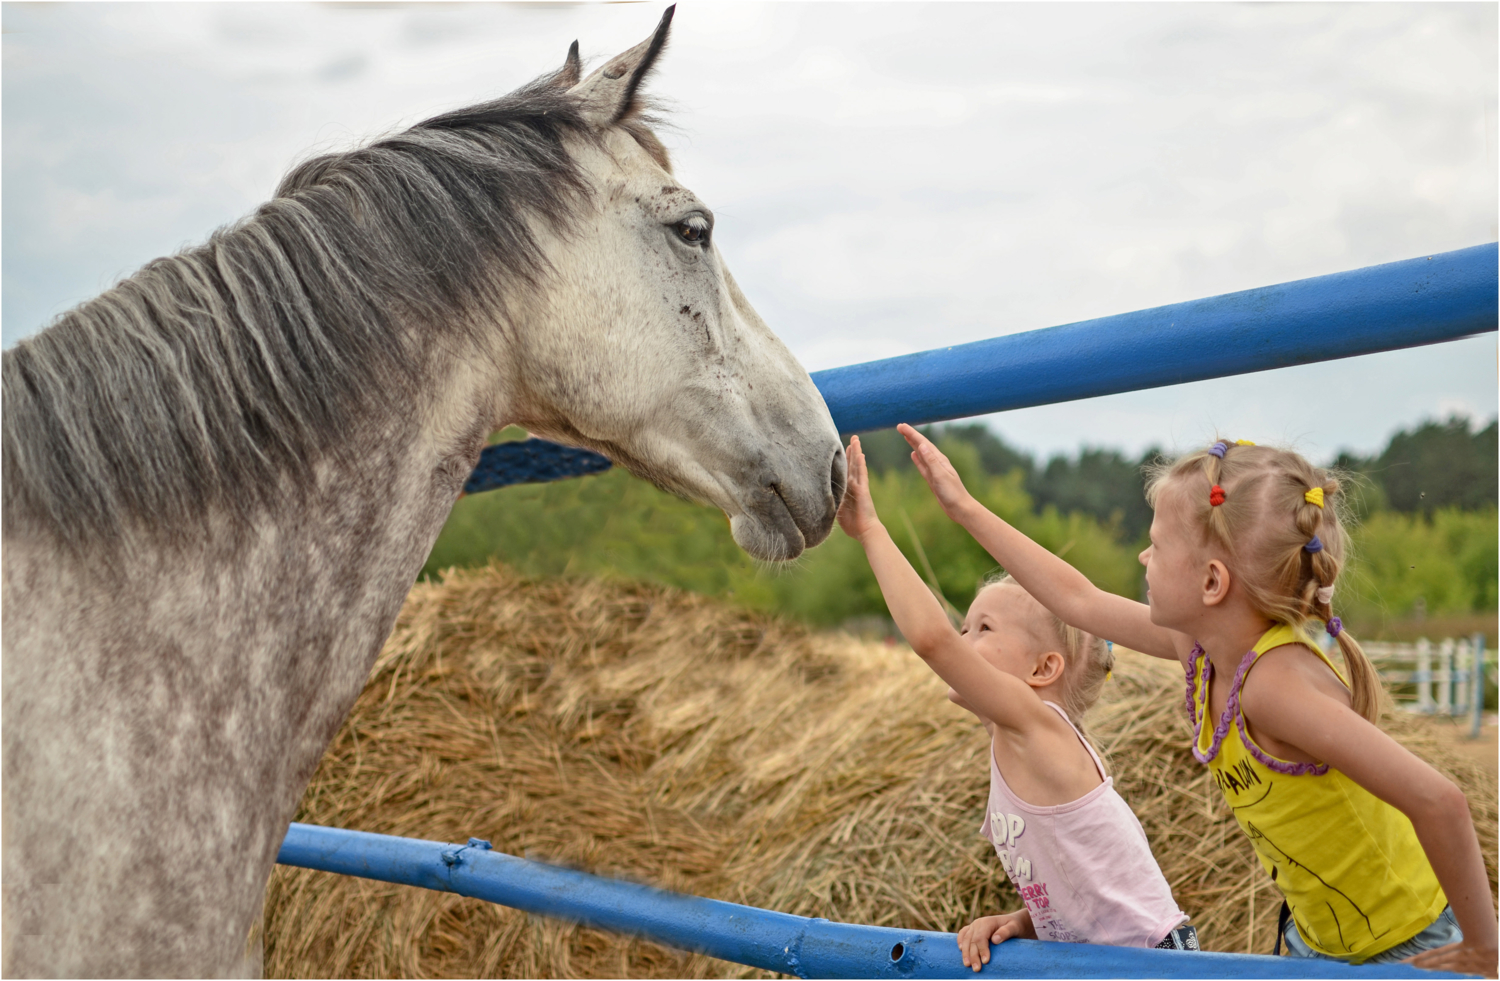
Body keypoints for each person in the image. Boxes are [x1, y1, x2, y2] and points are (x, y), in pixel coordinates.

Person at [893, 423, 1498, 975]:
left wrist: (1482, 946)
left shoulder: (1277, 686)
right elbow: (1075, 599)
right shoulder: (1204, 650)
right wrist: (964, 507)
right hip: (1315, 939)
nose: (1142, 557)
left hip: (1408, 943)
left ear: (1211, 582)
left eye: (1156, 545)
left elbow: (1439, 800)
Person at [835, 435, 1193, 972]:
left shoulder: (1038, 726)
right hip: (1105, 959)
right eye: (964, 626)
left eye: (983, 629)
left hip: (1151, 964)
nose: (963, 639)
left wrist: (870, 530)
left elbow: (932, 640)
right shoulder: (1022, 739)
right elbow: (1086, 884)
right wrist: (1028, 922)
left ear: (1042, 670)